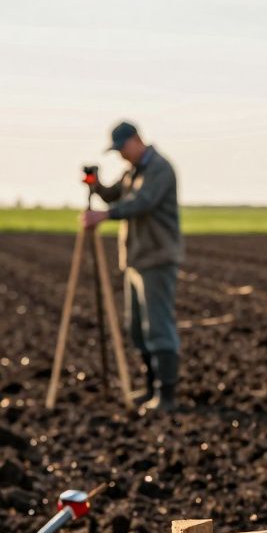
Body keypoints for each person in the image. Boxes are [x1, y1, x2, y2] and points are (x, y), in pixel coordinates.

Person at [83, 121, 183, 412]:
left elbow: (143, 202)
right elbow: (114, 195)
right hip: (136, 259)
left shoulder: (160, 169)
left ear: (137, 140)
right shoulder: (133, 171)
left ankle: (166, 395)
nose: (121, 156)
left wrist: (105, 216)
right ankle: (151, 387)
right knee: (137, 329)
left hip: (157, 258)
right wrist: (96, 185)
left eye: (123, 149)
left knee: (158, 327)